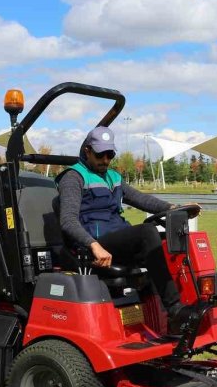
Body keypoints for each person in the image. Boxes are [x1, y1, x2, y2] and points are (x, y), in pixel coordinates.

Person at [56, 126, 201, 334]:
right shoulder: (74, 178)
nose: (105, 160)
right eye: (100, 154)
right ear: (87, 150)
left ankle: (168, 313)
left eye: (110, 154)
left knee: (162, 240)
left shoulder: (113, 177)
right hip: (94, 243)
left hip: (115, 238)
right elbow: (68, 221)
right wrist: (93, 246)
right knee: (146, 233)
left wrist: (173, 209)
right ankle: (175, 309)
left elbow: (141, 199)